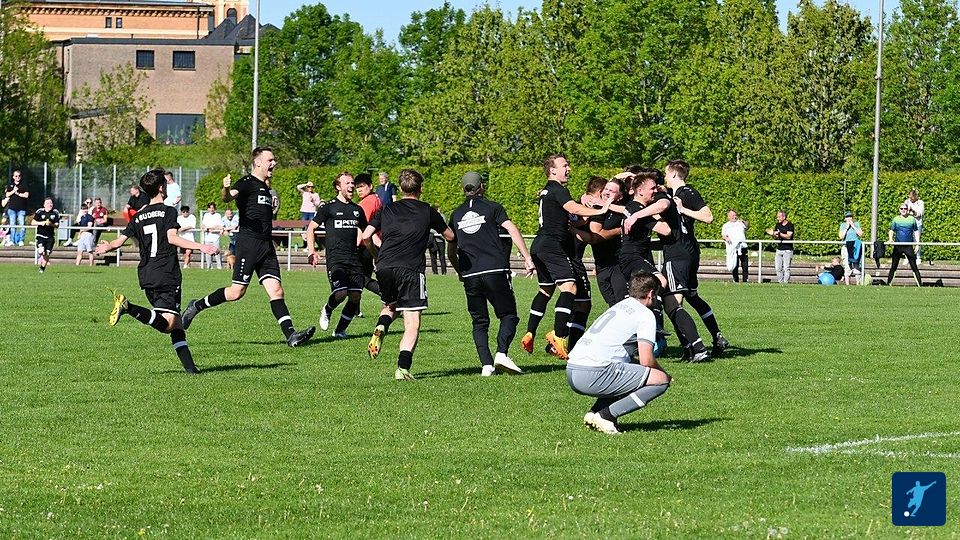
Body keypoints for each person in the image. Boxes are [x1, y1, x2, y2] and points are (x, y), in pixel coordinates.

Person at [180, 147, 315, 347]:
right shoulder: (246, 182)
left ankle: (291, 335)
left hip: (265, 245)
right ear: (258, 162)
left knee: (276, 291)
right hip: (249, 244)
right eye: (270, 160)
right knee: (236, 292)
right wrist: (225, 188)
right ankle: (196, 306)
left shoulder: (266, 188)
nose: (274, 163)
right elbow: (228, 197)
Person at [95, 169, 219, 374]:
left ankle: (191, 369)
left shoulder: (138, 216)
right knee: (168, 324)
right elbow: (172, 238)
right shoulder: (168, 211)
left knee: (176, 323)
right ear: (161, 188)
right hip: (166, 272)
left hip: (146, 273)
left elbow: (118, 241)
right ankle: (128, 307)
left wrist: (106, 246)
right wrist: (201, 246)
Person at [361, 169, 455, 380]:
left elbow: (366, 236)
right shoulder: (427, 211)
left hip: (385, 267)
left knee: (391, 305)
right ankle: (402, 369)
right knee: (412, 323)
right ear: (421, 188)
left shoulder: (386, 209)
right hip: (411, 269)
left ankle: (381, 326)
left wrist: (377, 256)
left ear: (401, 189)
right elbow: (450, 236)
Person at [520, 154, 611, 360]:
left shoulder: (546, 191)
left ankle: (530, 332)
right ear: (552, 170)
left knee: (545, 290)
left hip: (539, 245)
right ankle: (558, 336)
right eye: (565, 165)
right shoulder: (558, 189)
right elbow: (572, 207)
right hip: (552, 245)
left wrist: (588, 211)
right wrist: (603, 208)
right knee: (570, 287)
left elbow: (570, 219)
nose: (568, 169)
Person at [447, 171, 535, 376]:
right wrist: (527, 257)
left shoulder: (456, 214)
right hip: (495, 270)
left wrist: (460, 271)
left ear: (463, 189)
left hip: (470, 275)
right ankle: (501, 354)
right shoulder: (493, 207)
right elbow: (512, 229)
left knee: (479, 321)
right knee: (508, 315)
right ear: (482, 187)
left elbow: (451, 250)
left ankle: (486, 365)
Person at [566, 272, 672, 435]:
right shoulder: (645, 314)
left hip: (572, 369)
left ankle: (595, 412)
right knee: (660, 380)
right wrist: (663, 373)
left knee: (631, 368)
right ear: (651, 294)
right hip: (592, 373)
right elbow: (646, 360)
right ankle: (606, 416)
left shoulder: (620, 305)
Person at [661, 160, 729, 360]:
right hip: (689, 252)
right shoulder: (673, 194)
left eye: (666, 173)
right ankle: (717, 336)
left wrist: (683, 209)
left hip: (680, 254)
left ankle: (692, 348)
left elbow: (708, 217)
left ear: (674, 174)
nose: (665, 177)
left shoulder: (687, 192)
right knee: (692, 296)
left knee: (673, 302)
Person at [305, 172, 368, 338]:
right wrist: (312, 251)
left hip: (354, 259)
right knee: (340, 293)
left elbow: (365, 231)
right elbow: (311, 228)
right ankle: (327, 309)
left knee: (355, 296)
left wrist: (374, 250)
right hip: (336, 258)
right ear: (338, 186)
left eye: (353, 183)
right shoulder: (328, 207)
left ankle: (340, 330)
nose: (352, 186)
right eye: (347, 183)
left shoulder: (357, 210)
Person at [588, 179, 628, 307]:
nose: (607, 192)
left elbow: (598, 235)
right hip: (601, 265)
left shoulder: (623, 211)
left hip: (617, 264)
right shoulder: (596, 208)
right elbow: (596, 234)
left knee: (623, 303)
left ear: (620, 196)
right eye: (606, 189)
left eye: (612, 191)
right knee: (612, 304)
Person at [354, 172, 382, 300]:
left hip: (366, 245)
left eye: (362, 186)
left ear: (370, 186)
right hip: (374, 242)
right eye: (357, 187)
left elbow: (362, 226)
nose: (359, 190)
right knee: (360, 279)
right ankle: (354, 308)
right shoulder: (376, 199)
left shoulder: (366, 202)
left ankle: (388, 294)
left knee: (361, 278)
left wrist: (355, 245)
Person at [887, 203, 922, 286]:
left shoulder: (912, 219)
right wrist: (890, 239)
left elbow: (916, 231)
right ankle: (888, 284)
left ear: (907, 210)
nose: (903, 210)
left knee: (914, 266)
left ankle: (920, 284)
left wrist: (917, 244)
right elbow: (891, 230)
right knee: (894, 266)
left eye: (905, 209)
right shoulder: (896, 219)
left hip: (908, 246)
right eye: (901, 208)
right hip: (898, 246)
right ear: (899, 210)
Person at [31, 197, 60, 273]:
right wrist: (42, 223)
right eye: (48, 203)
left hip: (50, 237)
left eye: (51, 203)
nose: (50, 205)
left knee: (47, 253)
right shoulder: (40, 211)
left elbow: (57, 225)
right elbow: (33, 222)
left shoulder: (55, 212)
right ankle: (40, 249)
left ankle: (42, 268)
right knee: (41, 250)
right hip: (41, 235)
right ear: (44, 205)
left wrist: (51, 224)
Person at [766, 210, 794, 283]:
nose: (777, 218)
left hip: (788, 250)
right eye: (777, 217)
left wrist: (779, 234)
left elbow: (788, 236)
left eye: (779, 217)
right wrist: (773, 234)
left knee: (786, 268)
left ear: (784, 217)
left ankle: (785, 283)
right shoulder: (777, 225)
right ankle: (780, 283)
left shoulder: (790, 225)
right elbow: (776, 237)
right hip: (779, 249)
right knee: (778, 268)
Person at [721, 209, 749, 283]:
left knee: (745, 265)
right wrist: (726, 238)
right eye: (732, 215)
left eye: (735, 215)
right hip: (733, 248)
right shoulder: (726, 225)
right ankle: (735, 280)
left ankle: (745, 280)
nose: (734, 217)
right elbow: (723, 235)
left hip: (743, 246)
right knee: (735, 265)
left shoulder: (740, 223)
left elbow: (747, 226)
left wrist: (743, 221)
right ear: (728, 216)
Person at [4, 170, 29, 247]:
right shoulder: (10, 185)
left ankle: (21, 240)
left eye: (19, 176)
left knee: (22, 225)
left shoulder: (24, 185)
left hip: (21, 209)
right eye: (16, 176)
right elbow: (7, 194)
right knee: (12, 225)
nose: (18, 177)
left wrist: (18, 193)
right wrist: (14, 191)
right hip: (12, 209)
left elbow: (26, 195)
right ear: (13, 177)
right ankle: (12, 240)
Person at [838, 211, 863, 285]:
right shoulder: (843, 225)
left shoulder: (857, 224)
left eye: (850, 217)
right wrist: (846, 227)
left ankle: (858, 284)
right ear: (845, 218)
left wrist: (853, 226)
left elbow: (860, 234)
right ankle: (847, 284)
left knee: (856, 265)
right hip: (846, 247)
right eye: (847, 217)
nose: (849, 218)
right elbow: (841, 236)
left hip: (855, 247)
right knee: (847, 265)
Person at [903, 189, 925, 264]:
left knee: (917, 240)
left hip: (917, 224)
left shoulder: (920, 203)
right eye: (909, 197)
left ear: (916, 196)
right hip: (908, 223)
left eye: (912, 197)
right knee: (907, 240)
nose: (910, 199)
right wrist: (907, 211)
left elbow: (920, 214)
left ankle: (918, 257)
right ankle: (907, 257)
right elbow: (903, 212)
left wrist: (913, 211)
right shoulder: (907, 202)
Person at [200, 202, 223, 269]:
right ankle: (209, 266)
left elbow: (219, 225)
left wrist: (211, 228)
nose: (211, 209)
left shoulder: (218, 215)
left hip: (215, 237)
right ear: (208, 209)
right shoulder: (206, 215)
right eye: (210, 208)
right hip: (207, 238)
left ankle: (219, 267)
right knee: (208, 252)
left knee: (217, 252)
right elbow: (203, 225)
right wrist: (206, 228)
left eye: (213, 208)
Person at [427, 205, 448, 275]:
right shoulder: (430, 216)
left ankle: (443, 272)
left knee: (441, 257)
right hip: (433, 240)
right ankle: (435, 272)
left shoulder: (441, 216)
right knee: (433, 257)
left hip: (439, 240)